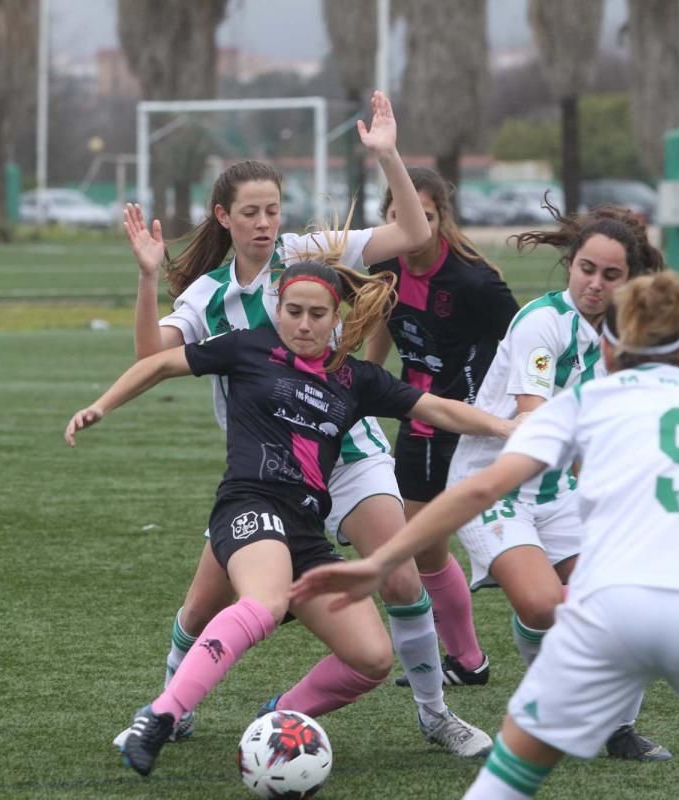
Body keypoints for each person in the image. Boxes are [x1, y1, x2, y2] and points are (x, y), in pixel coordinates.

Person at [293, 269, 679, 800]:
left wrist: (377, 562)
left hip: (611, 612)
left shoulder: (585, 402)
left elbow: (481, 490)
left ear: (610, 355)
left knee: (509, 780)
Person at [118, 91, 494, 757]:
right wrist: (149, 280)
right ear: (223, 217)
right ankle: (169, 709)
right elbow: (153, 356)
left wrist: (387, 157)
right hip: (267, 467)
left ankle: (435, 716)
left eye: (272, 210)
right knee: (203, 604)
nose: (265, 223)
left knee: (401, 576)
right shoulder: (208, 295)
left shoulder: (308, 249)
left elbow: (413, 234)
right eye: (251, 213)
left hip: (349, 451)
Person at [65, 260, 518, 777]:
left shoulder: (356, 377)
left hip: (306, 527)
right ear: (277, 310)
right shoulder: (246, 347)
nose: (304, 324)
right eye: (294, 311)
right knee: (262, 600)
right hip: (249, 503)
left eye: (316, 314)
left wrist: (508, 428)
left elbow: (438, 409)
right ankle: (162, 715)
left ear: (336, 319)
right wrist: (102, 405)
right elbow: (160, 363)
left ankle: (282, 714)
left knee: (372, 658)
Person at [439, 202, 670, 761]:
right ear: (570, 265)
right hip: (493, 485)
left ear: (628, 281)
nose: (595, 283)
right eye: (587, 268)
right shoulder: (543, 322)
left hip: (555, 489)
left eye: (611, 275)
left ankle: (614, 727)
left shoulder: (622, 335)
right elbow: (534, 419)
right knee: (545, 606)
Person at [364, 166, 519, 689]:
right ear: (388, 217)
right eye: (401, 215)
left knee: (424, 544)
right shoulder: (383, 263)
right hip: (420, 415)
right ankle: (463, 656)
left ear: (441, 219)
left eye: (425, 217)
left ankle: (467, 656)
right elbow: (381, 320)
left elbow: (521, 339)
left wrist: (510, 408)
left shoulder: (473, 279)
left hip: (464, 422)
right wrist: (364, 381)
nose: (414, 226)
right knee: (424, 545)